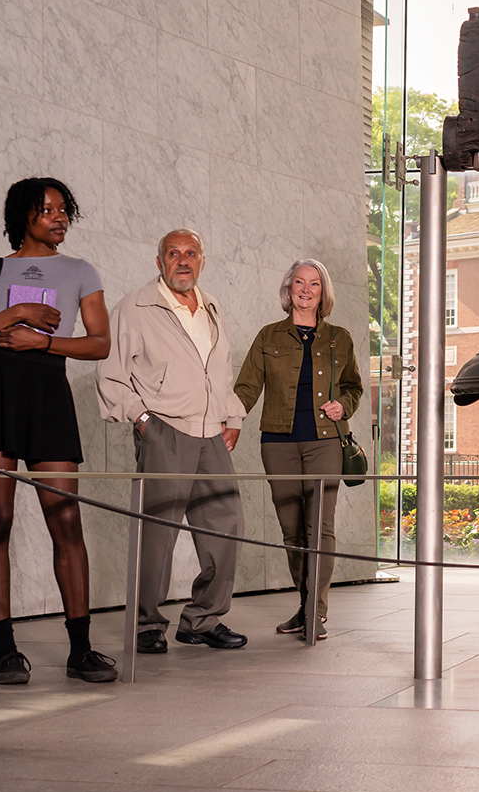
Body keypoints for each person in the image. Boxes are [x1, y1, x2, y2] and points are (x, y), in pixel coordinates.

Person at [0, 178, 114, 687]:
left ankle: (81, 649)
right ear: (24, 215)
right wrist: (14, 314)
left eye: (64, 210)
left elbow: (100, 344)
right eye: (47, 209)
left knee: (65, 519)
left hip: (47, 399)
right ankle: (5, 650)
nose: (59, 217)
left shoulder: (82, 271)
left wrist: (42, 343)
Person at [98, 229, 249, 655]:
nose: (183, 261)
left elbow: (220, 371)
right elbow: (111, 371)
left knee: (227, 528)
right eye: (173, 254)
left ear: (203, 260)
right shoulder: (136, 306)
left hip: (212, 434)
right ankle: (147, 625)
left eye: (191, 254)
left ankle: (202, 619)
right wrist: (143, 420)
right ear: (159, 262)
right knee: (157, 535)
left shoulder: (211, 307)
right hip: (165, 430)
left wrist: (232, 413)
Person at [234, 259, 364, 641]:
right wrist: (226, 420)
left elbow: (354, 387)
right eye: (299, 283)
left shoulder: (340, 337)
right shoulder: (268, 336)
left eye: (314, 285)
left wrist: (344, 405)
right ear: (288, 289)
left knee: (319, 527)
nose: (306, 290)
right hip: (278, 443)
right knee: (292, 531)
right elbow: (246, 388)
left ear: (323, 293)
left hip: (326, 441)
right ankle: (305, 605)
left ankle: (316, 613)